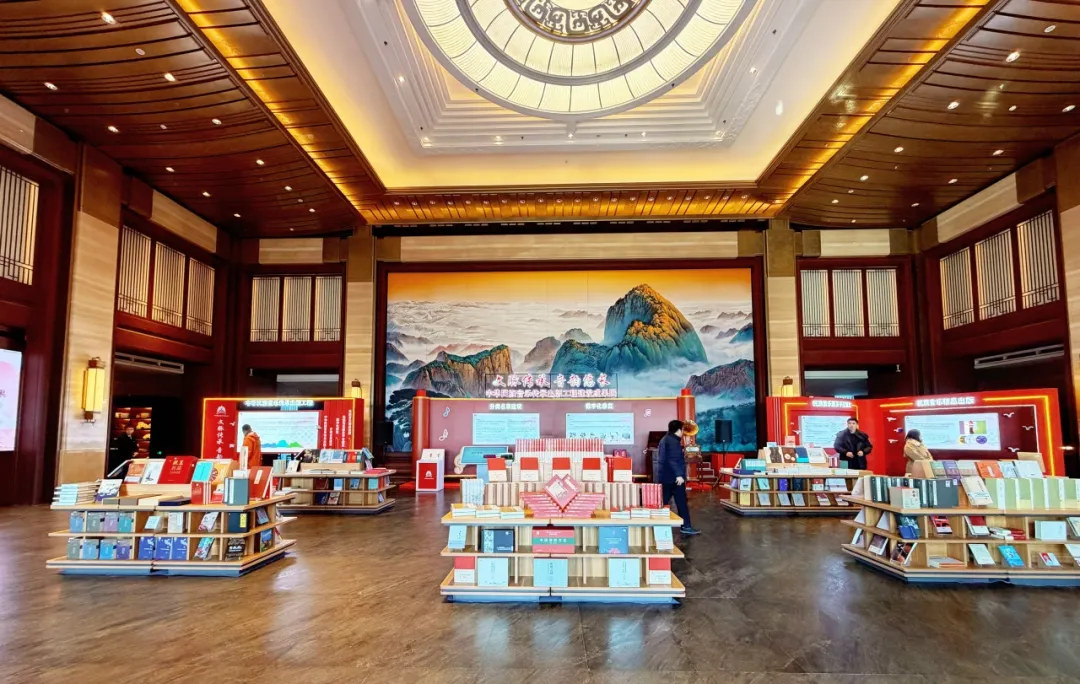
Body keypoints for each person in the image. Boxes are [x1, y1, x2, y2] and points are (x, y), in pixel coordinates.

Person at [657, 419, 700, 535]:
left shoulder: (665, 439)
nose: (683, 432)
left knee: (662, 502)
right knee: (681, 502)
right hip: (675, 479)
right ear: (679, 430)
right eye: (682, 429)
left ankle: (655, 524)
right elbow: (673, 460)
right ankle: (686, 526)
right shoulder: (673, 441)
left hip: (665, 477)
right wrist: (679, 475)